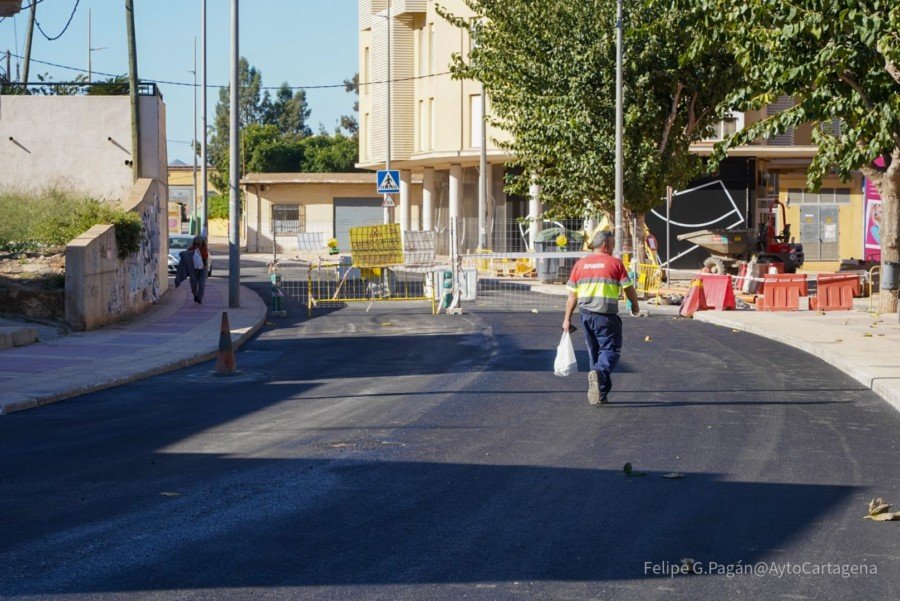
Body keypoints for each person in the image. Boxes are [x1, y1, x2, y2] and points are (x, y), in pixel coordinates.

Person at [562, 230, 640, 405]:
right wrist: (635, 305)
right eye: (612, 245)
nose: (613, 248)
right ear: (605, 245)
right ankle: (598, 373)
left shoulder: (580, 265)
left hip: (586, 316)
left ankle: (601, 393)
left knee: (595, 352)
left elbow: (572, 296)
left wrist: (567, 319)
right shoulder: (615, 263)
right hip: (606, 317)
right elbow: (628, 288)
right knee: (611, 351)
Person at [178, 236, 209, 304]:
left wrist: (199, 251)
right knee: (193, 285)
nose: (197, 245)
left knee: (201, 285)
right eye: (196, 244)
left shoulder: (204, 250)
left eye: (199, 244)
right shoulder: (191, 249)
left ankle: (199, 298)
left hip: (203, 269)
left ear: (202, 244)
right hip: (193, 270)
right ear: (194, 243)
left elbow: (205, 257)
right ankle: (195, 294)